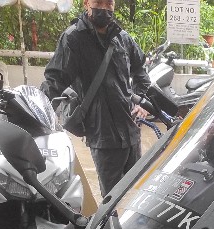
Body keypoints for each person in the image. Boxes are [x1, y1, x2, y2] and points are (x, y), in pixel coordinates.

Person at [42, 0, 151, 196]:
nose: (104, 8)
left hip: (130, 130)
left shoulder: (122, 38)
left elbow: (141, 71)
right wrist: (37, 109)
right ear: (86, 3)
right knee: (112, 198)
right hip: (102, 135)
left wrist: (140, 101)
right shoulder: (73, 38)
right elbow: (54, 81)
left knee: (136, 193)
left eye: (109, 3)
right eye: (98, 2)